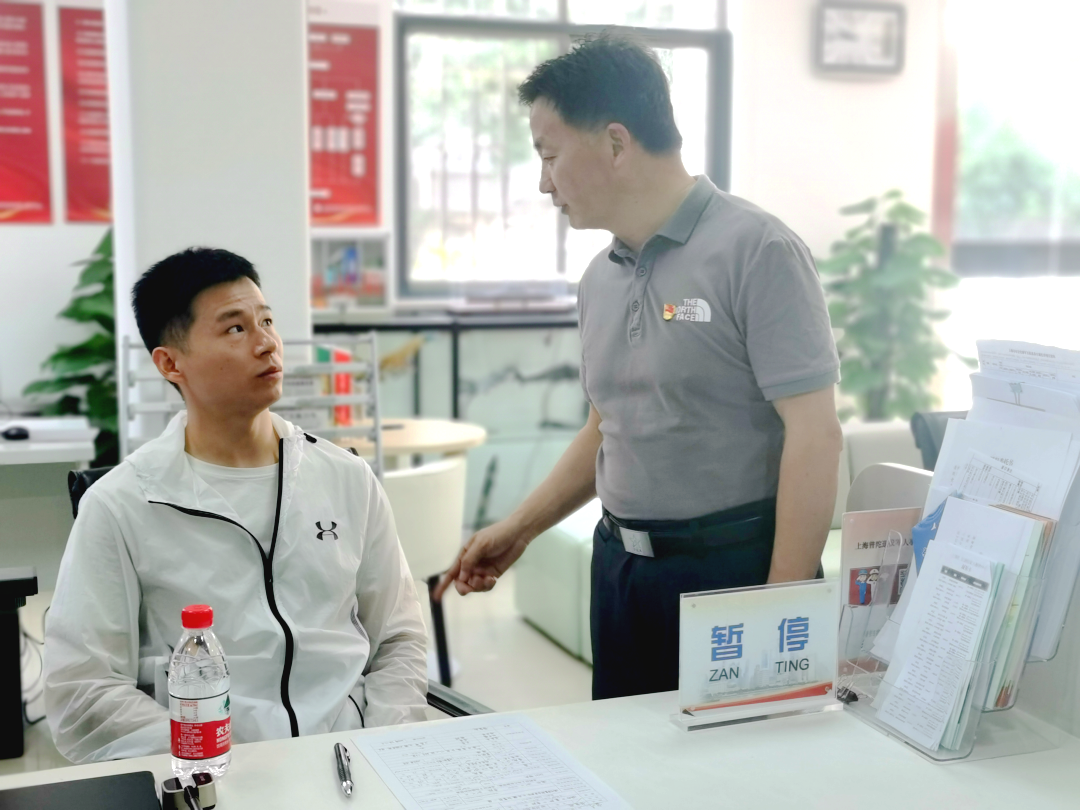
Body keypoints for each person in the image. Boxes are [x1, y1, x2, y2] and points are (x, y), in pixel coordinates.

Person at [435, 36, 843, 700]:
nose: (543, 182)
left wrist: (779, 608)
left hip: (731, 575)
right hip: (621, 573)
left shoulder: (758, 250)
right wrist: (518, 529)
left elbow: (816, 434)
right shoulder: (599, 279)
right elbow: (609, 427)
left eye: (549, 156)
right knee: (625, 759)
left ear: (617, 143)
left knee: (741, 761)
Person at [43, 248, 428, 763]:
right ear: (170, 363)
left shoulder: (346, 478)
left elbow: (398, 638)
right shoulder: (121, 504)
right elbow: (82, 691)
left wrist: (385, 746)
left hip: (353, 762)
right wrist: (221, 760)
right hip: (214, 775)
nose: (267, 343)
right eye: (235, 329)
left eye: (266, 321)